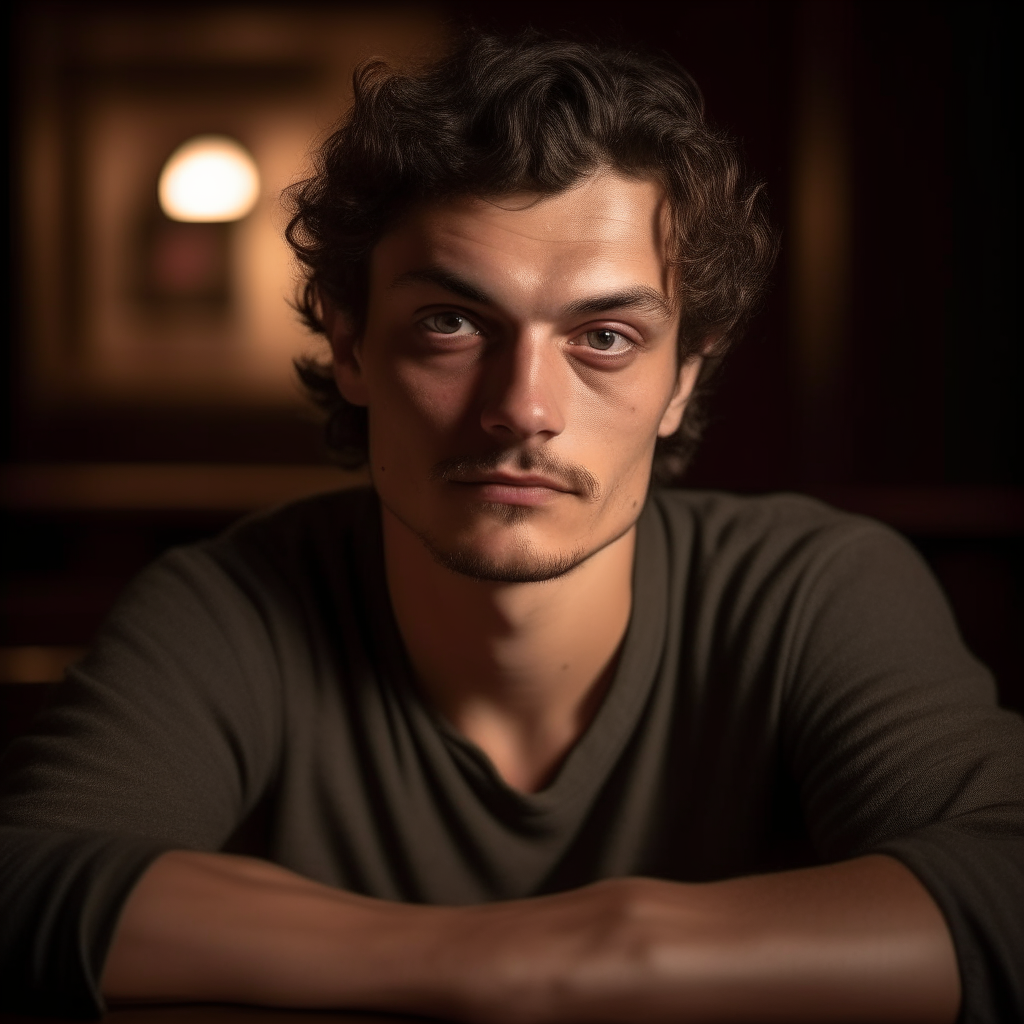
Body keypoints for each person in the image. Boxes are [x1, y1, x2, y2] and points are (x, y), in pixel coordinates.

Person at [2, 31, 1022, 1024]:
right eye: (452, 322)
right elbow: (28, 878)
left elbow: (1003, 886)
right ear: (351, 348)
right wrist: (489, 961)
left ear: (683, 380)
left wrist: (595, 954)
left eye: (605, 337)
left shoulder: (813, 588)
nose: (522, 407)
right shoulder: (230, 603)